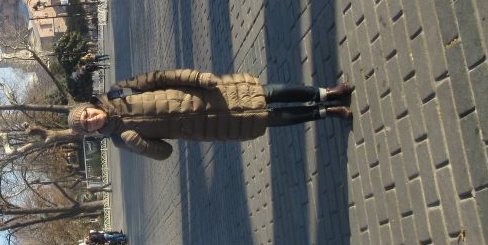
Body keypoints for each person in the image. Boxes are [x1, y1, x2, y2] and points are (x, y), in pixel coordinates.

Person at [67, 68, 352, 161]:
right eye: (88, 125)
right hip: (207, 126)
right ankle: (326, 112)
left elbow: (160, 78)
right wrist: (134, 141)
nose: (91, 119)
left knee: (269, 93)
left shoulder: (119, 91)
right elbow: (164, 152)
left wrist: (198, 77)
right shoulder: (120, 141)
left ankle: (325, 93)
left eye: (87, 115)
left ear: (91, 107)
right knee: (270, 118)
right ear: (92, 133)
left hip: (208, 94)